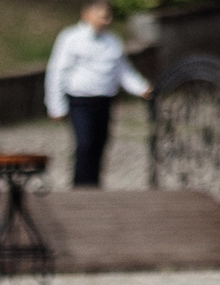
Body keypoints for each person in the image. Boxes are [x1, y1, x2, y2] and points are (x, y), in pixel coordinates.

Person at [45, 0, 151, 190]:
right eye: (102, 16)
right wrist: (56, 106)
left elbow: (123, 71)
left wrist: (141, 88)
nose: (106, 20)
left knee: (99, 145)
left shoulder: (112, 41)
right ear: (87, 14)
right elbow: (57, 72)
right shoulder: (71, 38)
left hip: (104, 101)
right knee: (85, 144)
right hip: (80, 101)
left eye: (108, 16)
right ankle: (81, 188)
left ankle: (93, 187)